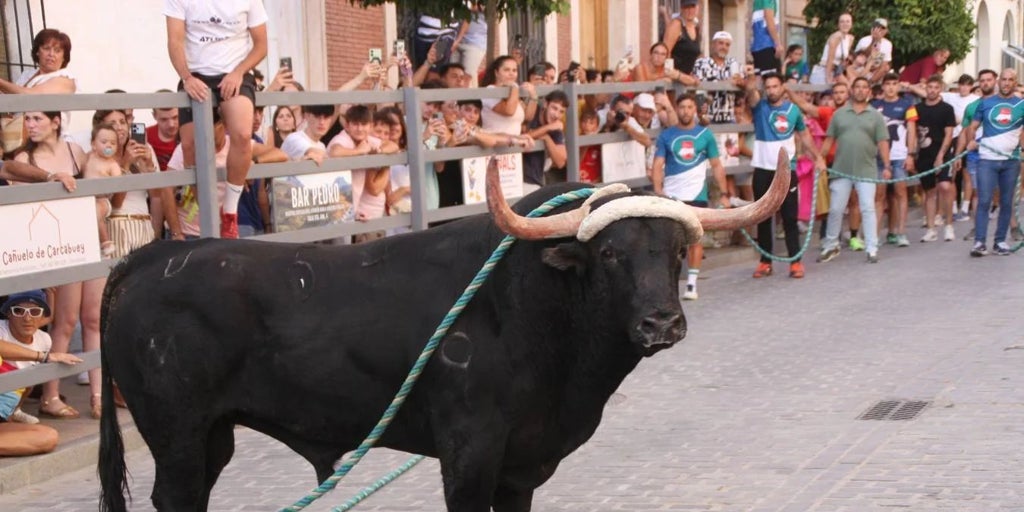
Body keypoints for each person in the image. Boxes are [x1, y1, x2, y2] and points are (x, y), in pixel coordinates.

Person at [165, 0, 269, 239]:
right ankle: (205, 206)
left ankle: (230, 213)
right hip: (196, 73)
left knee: (242, 134)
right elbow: (174, 41)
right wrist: (187, 77)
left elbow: (261, 45)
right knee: (189, 144)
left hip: (234, 72)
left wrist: (239, 72)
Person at [744, 72, 826, 278]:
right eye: (768, 87)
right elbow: (751, 96)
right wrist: (750, 85)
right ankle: (765, 262)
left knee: (790, 217)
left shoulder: (793, 110)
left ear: (783, 88)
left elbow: (804, 135)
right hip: (763, 169)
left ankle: (795, 261)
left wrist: (817, 157)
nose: (771, 90)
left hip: (786, 170)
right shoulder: (760, 107)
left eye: (775, 86)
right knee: (762, 216)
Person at [651, 93, 731, 300]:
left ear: (695, 110)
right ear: (676, 110)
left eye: (689, 107)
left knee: (696, 239)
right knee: (670, 242)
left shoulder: (705, 135)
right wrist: (658, 190)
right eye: (682, 107)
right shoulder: (666, 136)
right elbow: (658, 164)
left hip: (697, 195)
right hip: (671, 196)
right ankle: (668, 284)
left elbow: (716, 165)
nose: (685, 111)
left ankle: (692, 284)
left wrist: (724, 194)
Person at [818, 77, 890, 264]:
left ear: (869, 92)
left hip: (866, 169)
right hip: (841, 169)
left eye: (864, 87)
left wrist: (887, 166)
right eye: (857, 87)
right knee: (836, 209)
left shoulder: (875, 116)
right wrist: (820, 159)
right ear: (852, 90)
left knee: (867, 207)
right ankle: (831, 245)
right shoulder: (839, 114)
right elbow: (829, 140)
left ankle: (871, 247)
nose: (860, 90)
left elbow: (882, 142)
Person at [957, 68, 1023, 256]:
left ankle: (1000, 241)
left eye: (1011, 80)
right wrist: (971, 140)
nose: (1006, 83)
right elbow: (973, 126)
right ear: (999, 81)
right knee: (984, 200)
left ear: (1015, 82)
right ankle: (979, 242)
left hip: (1011, 161)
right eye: (1004, 79)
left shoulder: (1021, 105)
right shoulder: (986, 103)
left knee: (1006, 202)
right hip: (987, 159)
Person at [0, 291, 85, 422]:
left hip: (14, 392)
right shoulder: (1, 329)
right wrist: (43, 357)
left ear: (42, 316)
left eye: (34, 312)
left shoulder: (44, 339)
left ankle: (15, 411)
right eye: (18, 311)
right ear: (8, 314)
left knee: (30, 376)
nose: (27, 318)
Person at [328, 105, 400, 241]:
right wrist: (359, 151)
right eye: (355, 124)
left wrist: (378, 152)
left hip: (349, 211)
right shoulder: (343, 138)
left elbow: (393, 146)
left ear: (370, 126)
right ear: (347, 126)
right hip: (333, 211)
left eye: (364, 124)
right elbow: (335, 151)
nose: (360, 128)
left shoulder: (368, 140)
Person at [0, 28, 76, 156]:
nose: (51, 54)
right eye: (46, 48)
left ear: (64, 57)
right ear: (37, 52)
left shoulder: (66, 78)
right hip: (19, 138)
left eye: (57, 51)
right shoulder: (27, 74)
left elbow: (30, 96)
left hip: (48, 143)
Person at [871, 72, 918, 247]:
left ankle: (901, 232)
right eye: (887, 84)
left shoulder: (907, 105)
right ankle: (874, 235)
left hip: (899, 155)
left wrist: (910, 154)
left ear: (898, 85)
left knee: (900, 193)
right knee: (879, 195)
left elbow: (912, 130)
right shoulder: (875, 105)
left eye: (894, 83)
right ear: (882, 86)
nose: (891, 87)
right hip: (879, 157)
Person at [913, 75, 957, 242]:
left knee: (945, 186)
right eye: (929, 87)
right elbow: (913, 132)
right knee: (929, 191)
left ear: (940, 89)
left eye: (935, 88)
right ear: (925, 88)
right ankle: (931, 228)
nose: (932, 91)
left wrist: (941, 155)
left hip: (943, 153)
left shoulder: (947, 109)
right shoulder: (917, 108)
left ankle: (948, 225)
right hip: (924, 154)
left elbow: (949, 134)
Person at [940, 74, 979, 221]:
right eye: (962, 84)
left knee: (967, 173)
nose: (964, 87)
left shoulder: (975, 100)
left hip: (967, 138)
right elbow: (930, 92)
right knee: (952, 174)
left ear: (971, 86)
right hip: (952, 138)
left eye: (967, 85)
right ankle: (954, 207)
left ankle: (965, 207)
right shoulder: (951, 96)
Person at [82, 123, 124, 258]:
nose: (109, 146)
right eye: (104, 142)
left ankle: (106, 242)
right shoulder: (88, 157)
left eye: (113, 143)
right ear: (93, 144)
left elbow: (119, 183)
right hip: (85, 199)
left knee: (94, 211)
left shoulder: (112, 165)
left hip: (102, 200)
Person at [692, 31, 745, 125]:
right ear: (713, 45)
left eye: (727, 45)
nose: (724, 47)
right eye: (720, 43)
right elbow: (703, 87)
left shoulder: (734, 63)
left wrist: (742, 82)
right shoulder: (702, 63)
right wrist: (727, 83)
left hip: (729, 117)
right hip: (707, 118)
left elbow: (743, 82)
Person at [523, 90, 568, 190]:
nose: (556, 114)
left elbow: (560, 162)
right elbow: (523, 138)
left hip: (535, 182)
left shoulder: (555, 127)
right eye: (554, 108)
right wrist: (547, 128)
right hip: (514, 178)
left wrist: (547, 139)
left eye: (561, 112)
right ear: (545, 104)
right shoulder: (533, 112)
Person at [480, 55, 537, 135]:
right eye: (506, 70)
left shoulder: (513, 92)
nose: (511, 73)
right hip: (494, 144)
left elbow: (528, 117)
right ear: (496, 73)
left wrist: (533, 96)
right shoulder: (490, 90)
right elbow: (509, 111)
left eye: (514, 70)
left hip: (514, 145)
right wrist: (514, 87)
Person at [810, 13, 854, 85]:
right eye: (842, 21)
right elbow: (830, 58)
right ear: (838, 24)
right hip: (824, 70)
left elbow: (843, 60)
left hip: (836, 71)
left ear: (851, 24)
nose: (845, 24)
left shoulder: (850, 38)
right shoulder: (836, 36)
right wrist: (828, 77)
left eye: (847, 21)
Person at [451, 2, 487, 87]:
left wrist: (458, 39)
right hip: (455, 39)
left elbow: (469, 11)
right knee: (452, 75)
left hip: (475, 42)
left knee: (467, 76)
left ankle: (466, 99)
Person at [662, 0, 702, 75]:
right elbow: (666, 51)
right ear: (681, 8)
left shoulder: (696, 27)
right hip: (675, 77)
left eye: (692, 7)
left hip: (689, 78)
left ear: (697, 7)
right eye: (686, 7)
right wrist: (670, 73)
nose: (690, 10)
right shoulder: (676, 25)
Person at [854, 19, 893, 84]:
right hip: (862, 69)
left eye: (882, 28)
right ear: (872, 28)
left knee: (886, 68)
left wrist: (874, 75)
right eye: (876, 27)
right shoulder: (864, 40)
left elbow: (885, 63)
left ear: (886, 31)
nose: (878, 30)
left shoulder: (888, 44)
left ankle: (871, 83)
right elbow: (857, 59)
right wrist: (874, 41)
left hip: (876, 72)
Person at [147, 95, 180, 171]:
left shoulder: (189, 135)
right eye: (164, 119)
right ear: (154, 116)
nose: (171, 124)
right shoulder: (146, 137)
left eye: (175, 117)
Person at [751, 0, 783, 75]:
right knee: (773, 80)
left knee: (760, 81)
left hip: (757, 47)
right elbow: (768, 18)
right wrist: (778, 43)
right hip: (767, 46)